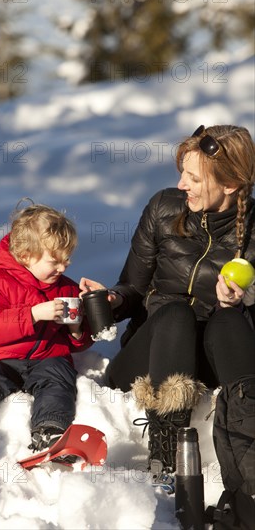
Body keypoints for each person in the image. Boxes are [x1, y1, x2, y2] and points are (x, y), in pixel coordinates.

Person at [80, 125, 255, 524]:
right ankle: (164, 459)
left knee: (229, 321)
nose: (182, 185)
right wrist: (112, 300)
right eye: (183, 174)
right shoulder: (164, 208)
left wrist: (245, 300)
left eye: (194, 178)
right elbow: (132, 289)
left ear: (230, 183)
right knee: (174, 313)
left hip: (214, 357)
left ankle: (249, 482)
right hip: (150, 359)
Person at [0, 203, 93, 460]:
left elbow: (78, 343)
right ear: (26, 255)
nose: (63, 267)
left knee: (59, 380)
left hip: (46, 358)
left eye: (67, 259)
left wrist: (78, 328)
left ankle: (52, 431)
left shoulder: (65, 288)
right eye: (54, 261)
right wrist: (34, 314)